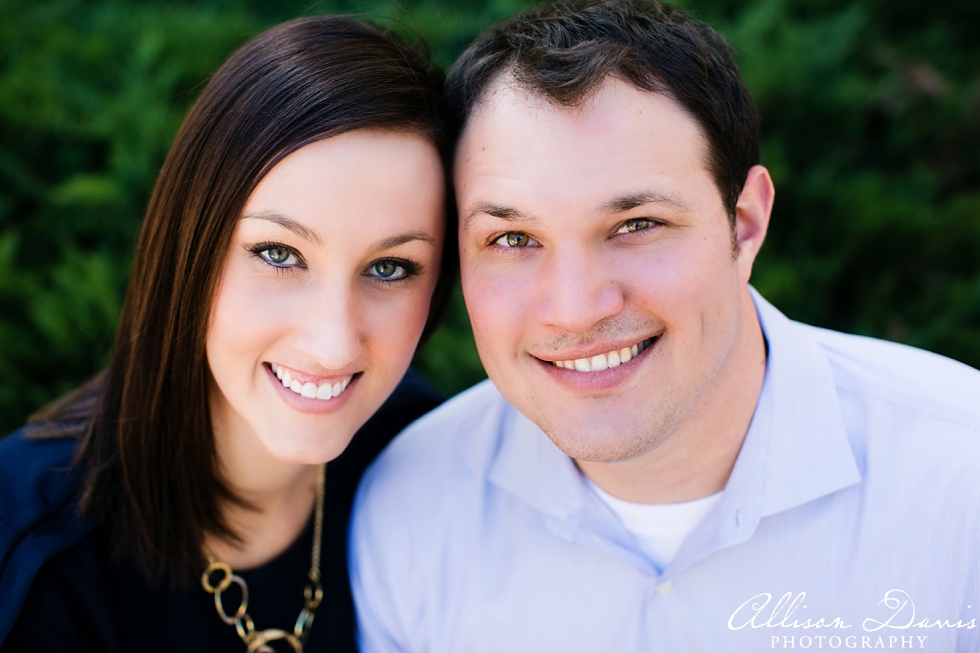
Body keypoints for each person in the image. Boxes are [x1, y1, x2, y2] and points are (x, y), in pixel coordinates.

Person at [349, 1, 980, 651]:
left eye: (636, 224)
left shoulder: (963, 477)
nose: (577, 306)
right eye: (512, 237)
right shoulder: (410, 507)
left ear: (744, 224)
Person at [0, 15, 454, 653]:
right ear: (192, 247)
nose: (333, 344)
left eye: (390, 268)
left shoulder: (427, 464)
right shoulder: (30, 556)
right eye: (278, 254)